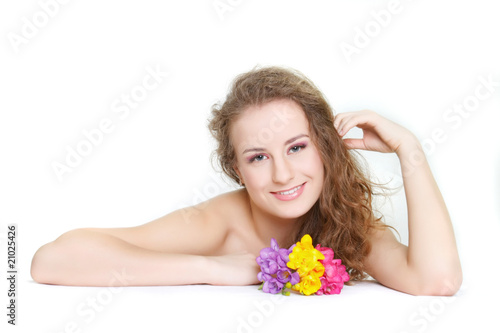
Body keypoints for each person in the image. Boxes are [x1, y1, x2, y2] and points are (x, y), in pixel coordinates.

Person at [30, 66, 462, 295]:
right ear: (237, 169)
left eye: (297, 147)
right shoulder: (218, 221)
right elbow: (53, 259)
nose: (283, 173)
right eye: (258, 157)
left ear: (326, 146)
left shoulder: (346, 225)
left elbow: (436, 281)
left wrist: (411, 151)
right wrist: (208, 268)